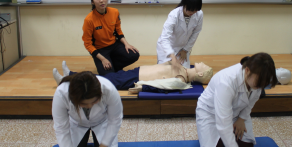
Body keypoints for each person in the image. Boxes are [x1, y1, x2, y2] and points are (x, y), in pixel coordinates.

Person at [196, 53, 278, 147]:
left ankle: (226, 140)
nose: (260, 87)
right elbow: (223, 124)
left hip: (237, 112)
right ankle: (214, 137)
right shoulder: (227, 82)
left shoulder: (257, 80)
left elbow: (251, 102)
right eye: (259, 83)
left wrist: (241, 119)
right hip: (211, 112)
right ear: (247, 70)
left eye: (263, 84)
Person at [52, 71, 123, 147]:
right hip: (77, 123)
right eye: (84, 104)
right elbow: (61, 128)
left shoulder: (108, 89)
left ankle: (100, 146)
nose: (89, 106)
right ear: (74, 99)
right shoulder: (61, 94)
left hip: (101, 122)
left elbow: (115, 120)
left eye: (94, 101)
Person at [53, 57, 213, 91]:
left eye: (204, 67)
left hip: (136, 79)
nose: (203, 63)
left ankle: (67, 80)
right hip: (137, 72)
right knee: (106, 78)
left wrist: (141, 87)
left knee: (102, 81)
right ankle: (70, 75)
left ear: (199, 75)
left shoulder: (180, 79)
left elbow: (160, 85)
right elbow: (163, 62)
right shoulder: (182, 69)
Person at [82, 0, 140, 76]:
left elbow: (118, 32)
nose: (101, 0)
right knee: (109, 77)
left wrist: (126, 44)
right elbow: (88, 44)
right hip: (100, 50)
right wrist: (103, 59)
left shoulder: (114, 12)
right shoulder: (89, 20)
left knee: (134, 54)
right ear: (92, 2)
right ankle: (109, 66)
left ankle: (112, 66)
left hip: (114, 45)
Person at [156, 0, 203, 68]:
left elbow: (196, 32)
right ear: (184, 4)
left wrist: (185, 50)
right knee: (166, 71)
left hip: (182, 49)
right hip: (167, 48)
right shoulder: (174, 15)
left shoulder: (199, 14)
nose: (192, 13)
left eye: (195, 10)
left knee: (184, 73)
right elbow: (164, 38)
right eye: (190, 10)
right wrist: (172, 56)